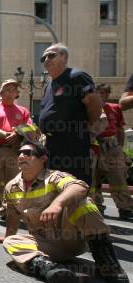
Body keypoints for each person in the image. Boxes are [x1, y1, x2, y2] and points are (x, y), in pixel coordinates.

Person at [0, 142, 130, 283]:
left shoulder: (53, 177)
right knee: (11, 242)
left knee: (82, 202)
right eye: (20, 152)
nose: (21, 156)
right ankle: (54, 272)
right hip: (46, 244)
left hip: (72, 239)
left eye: (28, 153)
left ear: (43, 158)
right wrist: (8, 236)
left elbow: (79, 186)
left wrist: (57, 203)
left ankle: (108, 264)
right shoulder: (11, 187)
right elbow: (13, 214)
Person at [38, 43, 103, 185]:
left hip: (72, 144)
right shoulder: (49, 85)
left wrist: (87, 123)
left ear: (64, 57)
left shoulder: (76, 76)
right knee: (54, 185)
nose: (46, 59)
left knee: (75, 185)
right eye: (43, 58)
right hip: (51, 146)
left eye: (51, 55)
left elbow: (95, 104)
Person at [0, 79, 34, 222]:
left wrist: (17, 135)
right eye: (7, 90)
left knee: (14, 182)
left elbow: (31, 128)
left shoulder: (23, 111)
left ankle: (7, 210)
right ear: (1, 92)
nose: (11, 93)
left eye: (14, 90)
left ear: (17, 94)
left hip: (15, 150)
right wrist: (5, 135)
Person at [89, 83, 133, 220]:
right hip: (94, 144)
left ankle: (125, 207)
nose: (102, 96)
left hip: (111, 146)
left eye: (105, 93)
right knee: (94, 178)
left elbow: (120, 129)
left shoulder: (115, 108)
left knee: (118, 177)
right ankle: (97, 206)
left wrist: (120, 148)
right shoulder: (89, 109)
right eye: (99, 93)